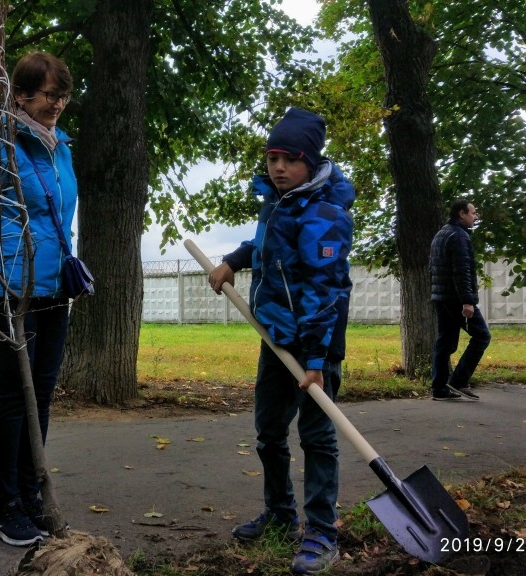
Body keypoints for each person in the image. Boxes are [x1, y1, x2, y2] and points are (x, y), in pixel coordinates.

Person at [208, 108, 353, 574]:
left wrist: (314, 358)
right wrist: (233, 259)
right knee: (269, 432)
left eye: (289, 159)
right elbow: (265, 246)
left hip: (317, 345)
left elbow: (324, 292)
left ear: (310, 161)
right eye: (272, 158)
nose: (278, 168)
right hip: (276, 338)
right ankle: (281, 515)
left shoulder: (326, 214)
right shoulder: (276, 203)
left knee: (316, 436)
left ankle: (322, 531)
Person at [0, 51, 77, 547]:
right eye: (50, 94)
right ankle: (3, 504)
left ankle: (30, 491)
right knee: (12, 396)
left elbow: (57, 220)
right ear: (20, 94)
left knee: (41, 393)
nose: (59, 104)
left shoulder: (58, 146)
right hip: (7, 288)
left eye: (64, 95)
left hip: (52, 286)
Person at [429, 199, 490, 401]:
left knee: (445, 342)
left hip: (441, 296)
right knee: (482, 336)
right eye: (473, 213)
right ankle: (459, 381)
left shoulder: (442, 233)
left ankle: (439, 389)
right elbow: (461, 271)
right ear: (461, 214)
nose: (476, 216)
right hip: (456, 298)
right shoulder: (459, 236)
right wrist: (467, 301)